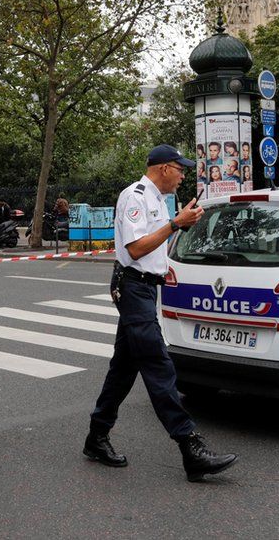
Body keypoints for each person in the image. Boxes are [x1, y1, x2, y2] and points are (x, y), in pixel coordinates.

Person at [84, 143, 238, 482]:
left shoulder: (157, 198)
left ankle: (97, 436)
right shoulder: (135, 196)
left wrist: (164, 262)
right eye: (179, 169)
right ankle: (190, 446)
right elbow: (135, 248)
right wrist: (175, 224)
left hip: (144, 287)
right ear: (163, 168)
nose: (183, 175)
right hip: (133, 289)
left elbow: (150, 248)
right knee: (158, 364)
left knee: (123, 369)